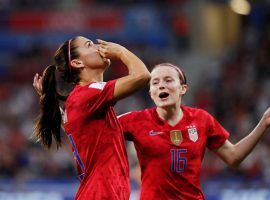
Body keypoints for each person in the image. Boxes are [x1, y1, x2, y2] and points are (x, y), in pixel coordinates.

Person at [118, 63, 270, 200]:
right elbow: (99, 127)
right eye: (155, 83)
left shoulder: (201, 119)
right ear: (151, 93)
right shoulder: (136, 120)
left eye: (168, 80)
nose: (161, 86)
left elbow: (233, 156)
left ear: (183, 88)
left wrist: (263, 123)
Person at [32, 36, 150, 200]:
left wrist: (47, 98)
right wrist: (120, 51)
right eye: (89, 45)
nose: (98, 47)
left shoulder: (79, 101)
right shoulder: (88, 94)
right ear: (77, 63)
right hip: (101, 194)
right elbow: (143, 76)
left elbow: (73, 127)